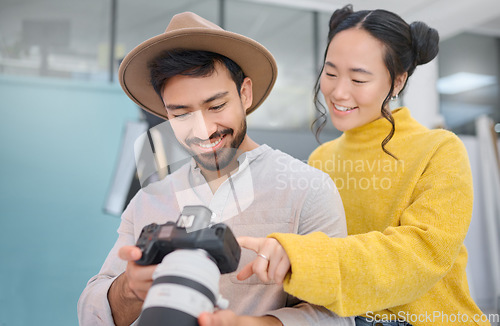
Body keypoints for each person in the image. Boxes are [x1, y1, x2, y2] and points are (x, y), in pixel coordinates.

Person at [77, 12, 354, 326]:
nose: (203, 129)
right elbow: (90, 313)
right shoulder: (148, 201)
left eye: (216, 106)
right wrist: (130, 288)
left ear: (244, 93)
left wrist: (247, 324)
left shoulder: (308, 190)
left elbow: (335, 317)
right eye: (181, 114)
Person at [235, 5, 490, 326]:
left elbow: (423, 255)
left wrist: (304, 258)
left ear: (397, 82)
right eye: (330, 73)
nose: (338, 91)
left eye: (359, 78)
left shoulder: (440, 149)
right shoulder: (322, 159)